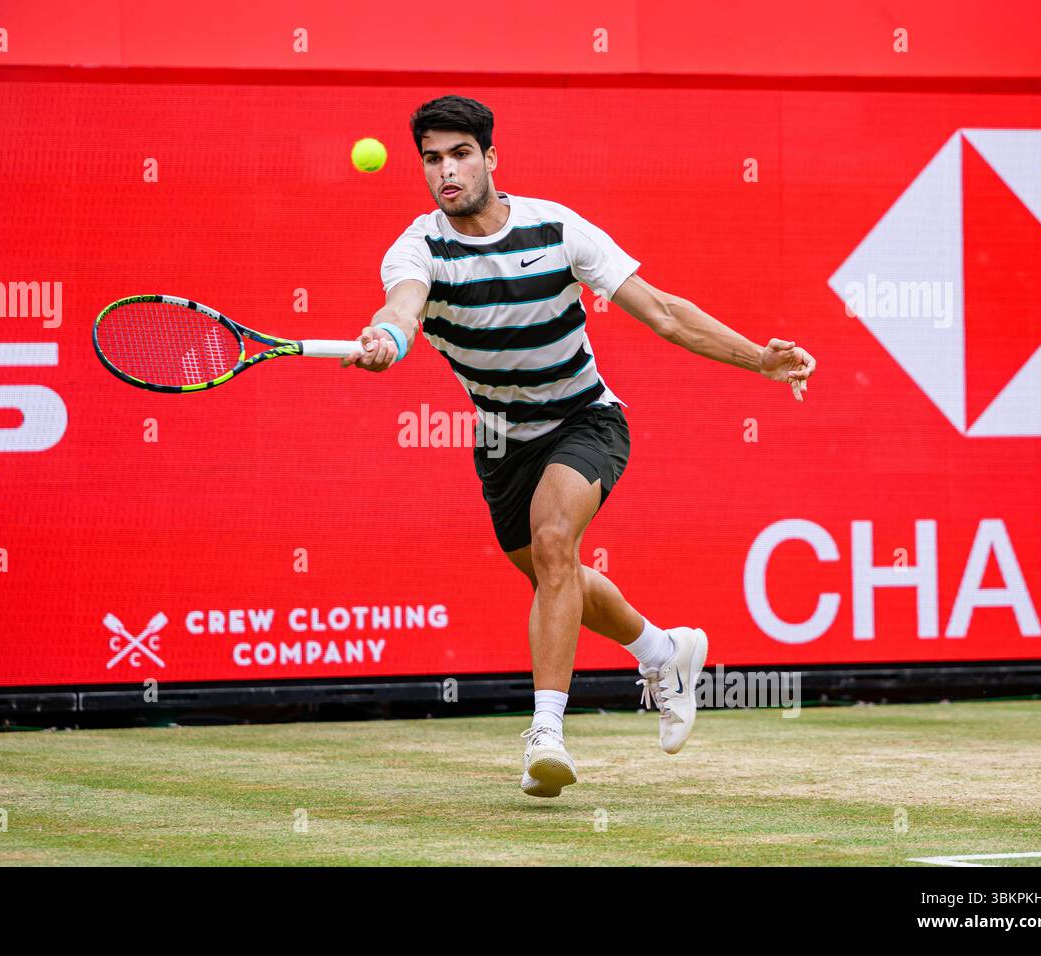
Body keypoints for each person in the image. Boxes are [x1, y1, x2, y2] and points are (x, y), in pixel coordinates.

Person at [345, 95, 816, 798]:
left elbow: (661, 311)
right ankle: (664, 651)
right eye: (433, 160)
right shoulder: (418, 249)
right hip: (503, 440)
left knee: (556, 544)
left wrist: (758, 359)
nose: (447, 172)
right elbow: (402, 304)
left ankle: (546, 735)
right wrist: (389, 336)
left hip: (586, 419)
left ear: (491, 158)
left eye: (461, 154)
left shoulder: (558, 229)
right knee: (551, 577)